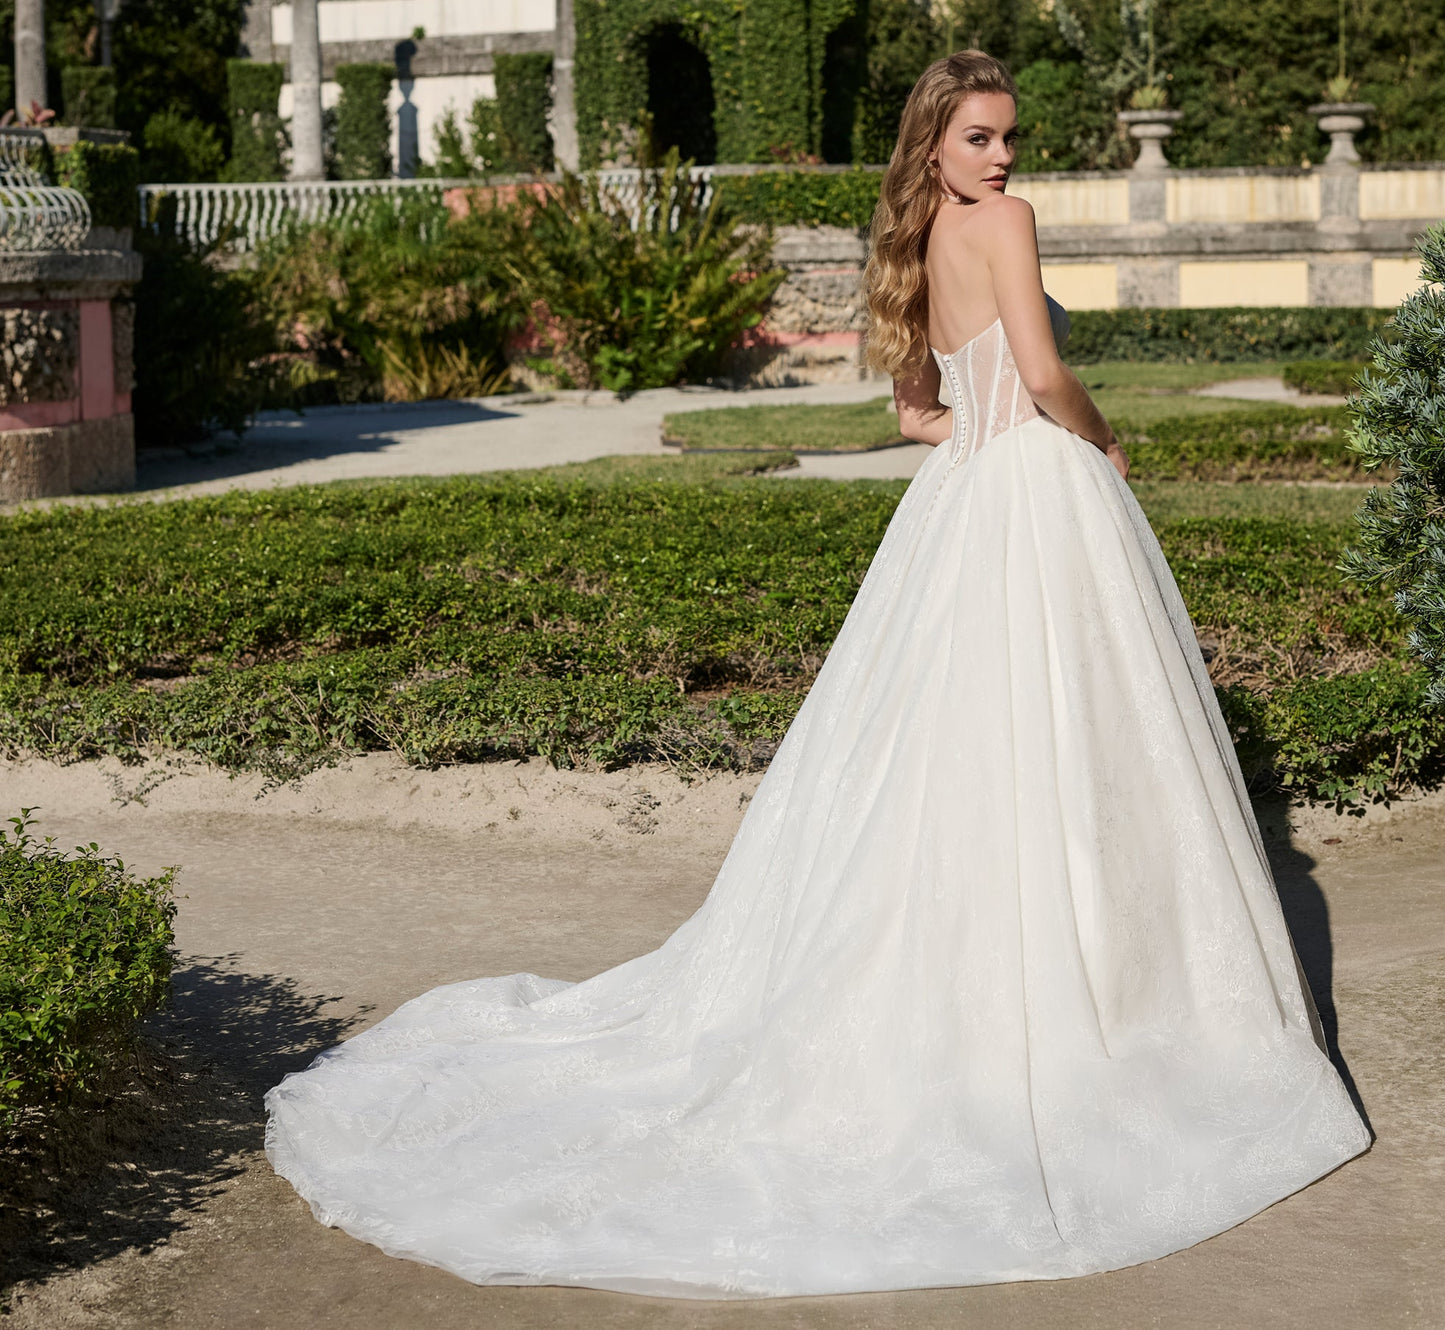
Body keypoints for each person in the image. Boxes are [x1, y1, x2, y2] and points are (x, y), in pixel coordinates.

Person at [266, 51, 1371, 1299]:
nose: (1002, 160)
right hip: (1034, 492)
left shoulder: (908, 245)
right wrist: (1100, 448)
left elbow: (912, 414)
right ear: (936, 143)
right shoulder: (1003, 228)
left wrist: (981, 438)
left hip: (960, 505)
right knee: (1064, 735)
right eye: (978, 139)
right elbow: (1046, 371)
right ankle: (1091, 999)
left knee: (956, 748)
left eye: (1008, 138)